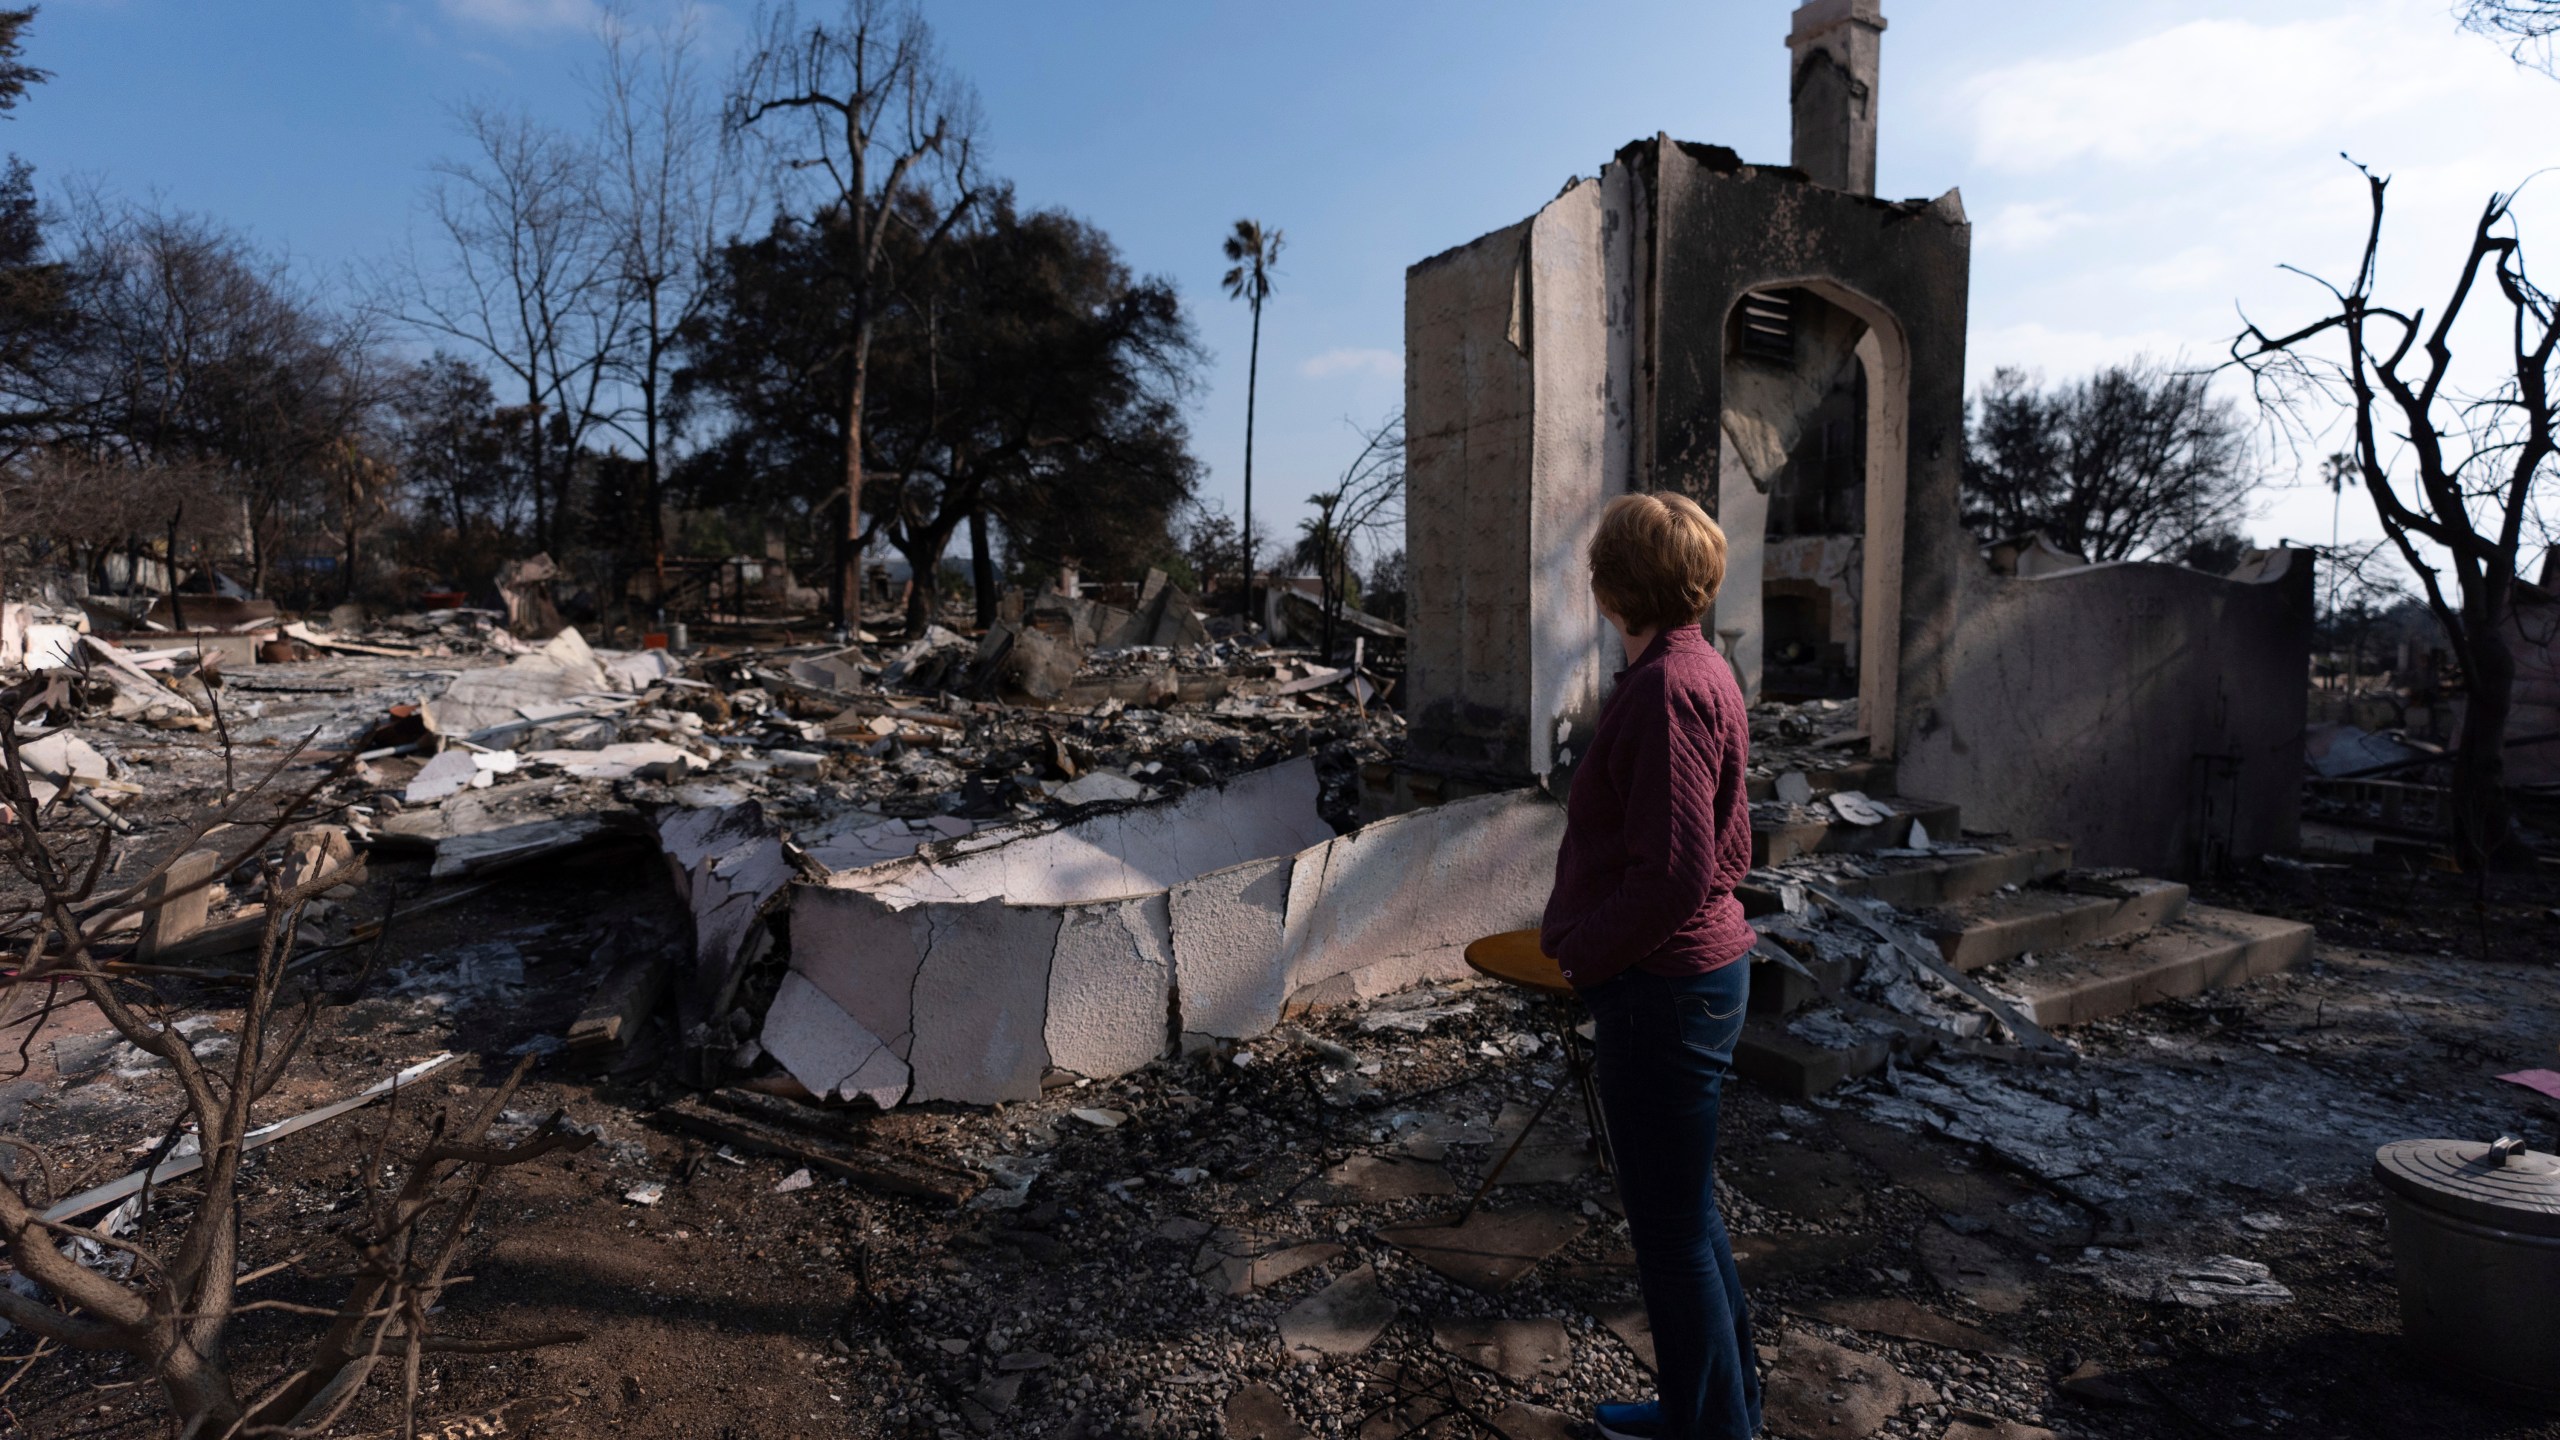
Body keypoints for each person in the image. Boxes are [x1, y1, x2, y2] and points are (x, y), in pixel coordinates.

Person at [1540, 491, 1760, 1440]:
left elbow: (1674, 876)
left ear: (1611, 588)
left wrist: (1582, 957)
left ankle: (1713, 1429)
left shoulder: (1669, 688)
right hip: (1686, 982)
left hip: (1662, 990)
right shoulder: (1696, 668)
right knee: (1689, 1217)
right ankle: (1713, 1410)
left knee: (1671, 1235)